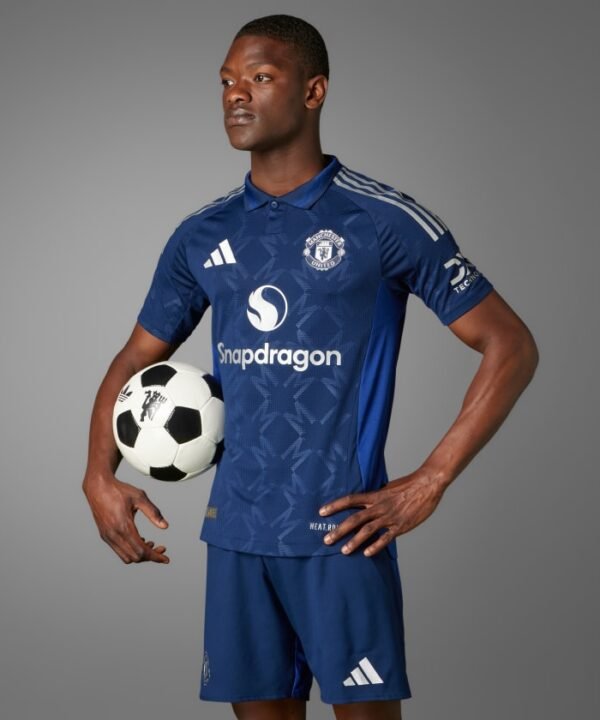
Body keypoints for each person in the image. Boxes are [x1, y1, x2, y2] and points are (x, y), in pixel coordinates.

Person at [82, 13, 539, 720]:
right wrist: (97, 474)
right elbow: (136, 357)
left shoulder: (381, 221)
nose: (237, 94)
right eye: (227, 81)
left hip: (342, 536)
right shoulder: (202, 234)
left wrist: (432, 478)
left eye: (260, 77)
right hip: (236, 534)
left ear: (313, 91)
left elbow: (511, 344)